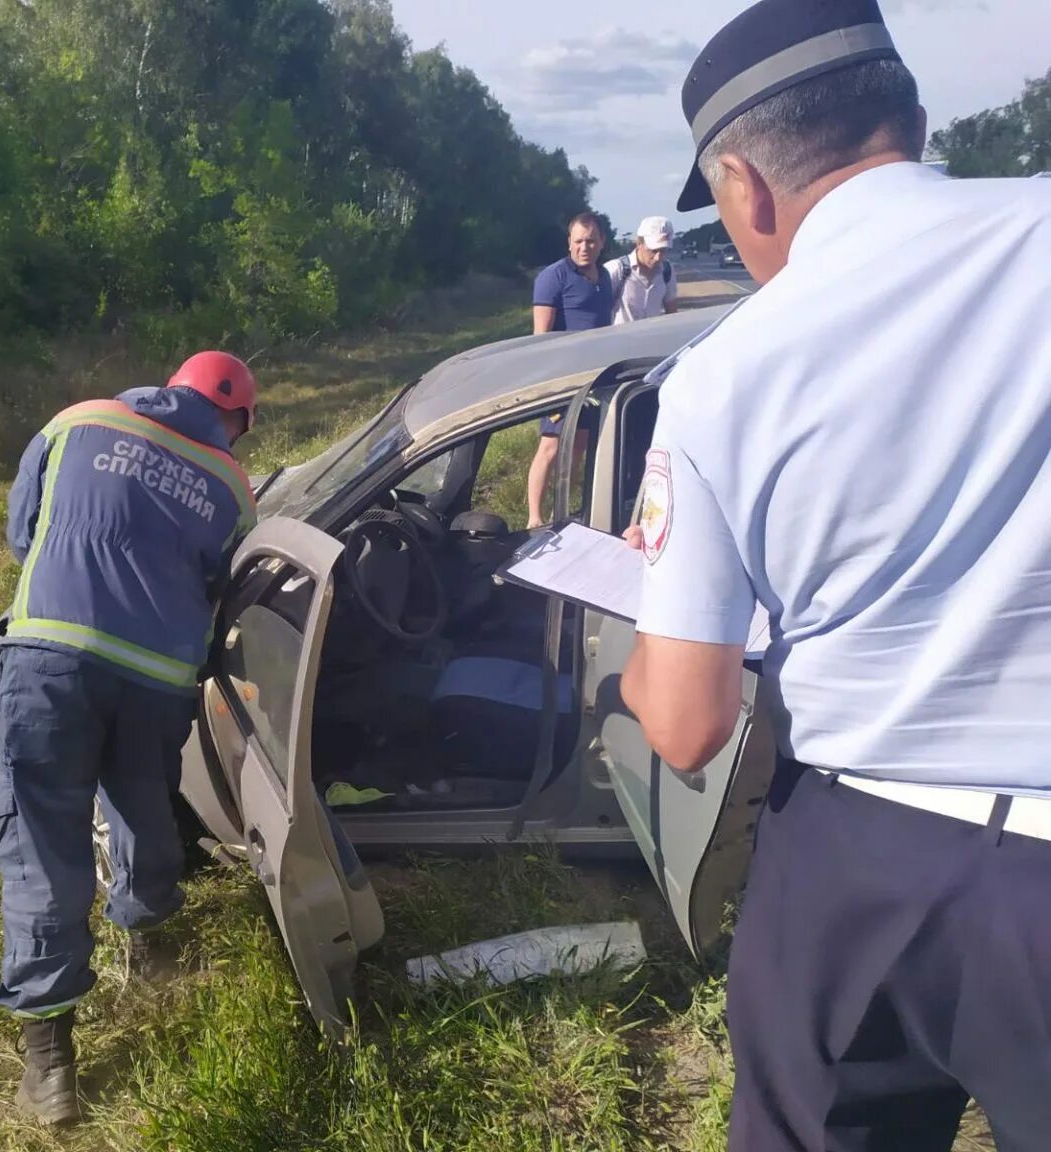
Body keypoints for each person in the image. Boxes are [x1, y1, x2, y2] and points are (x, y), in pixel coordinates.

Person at [619, 1, 1051, 1149]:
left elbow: (686, 726)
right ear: (912, 120)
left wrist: (634, 678)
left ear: (744, 188)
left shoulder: (719, 380)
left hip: (858, 866)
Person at [0, 351, 257, 1126]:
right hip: (155, 681)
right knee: (144, 808)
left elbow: (22, 533)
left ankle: (50, 1065)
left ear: (173, 385)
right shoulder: (232, 485)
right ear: (235, 419)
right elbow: (223, 588)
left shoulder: (78, 420)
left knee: (44, 844)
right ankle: (150, 951)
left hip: (49, 661)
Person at [525, 211, 612, 527]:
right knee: (550, 447)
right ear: (569, 242)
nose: (584, 247)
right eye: (578, 241)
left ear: (601, 242)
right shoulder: (554, 277)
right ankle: (534, 518)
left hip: (594, 380)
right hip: (563, 379)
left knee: (578, 448)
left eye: (590, 241)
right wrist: (549, 382)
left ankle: (557, 515)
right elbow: (540, 338)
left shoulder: (604, 277)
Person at [603, 216, 679, 325]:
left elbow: (672, 310)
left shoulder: (667, 271)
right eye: (653, 251)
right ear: (639, 243)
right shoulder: (617, 270)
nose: (658, 257)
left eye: (663, 251)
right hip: (619, 340)